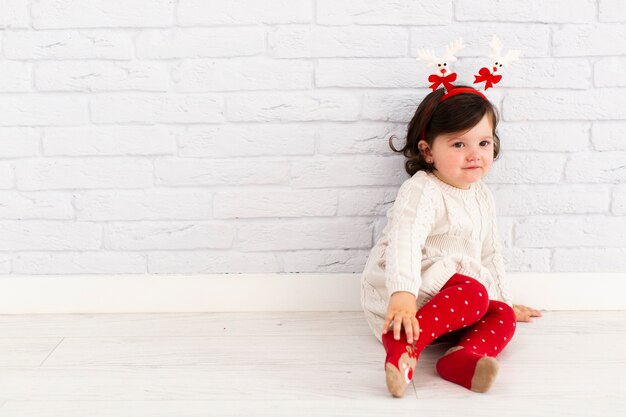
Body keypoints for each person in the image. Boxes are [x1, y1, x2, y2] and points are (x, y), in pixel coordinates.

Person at [360, 84, 542, 398]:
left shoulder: (482, 197)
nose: (475, 155)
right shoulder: (423, 190)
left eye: (484, 142)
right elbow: (405, 241)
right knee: (473, 291)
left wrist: (503, 299)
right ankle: (404, 344)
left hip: (453, 307)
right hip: (406, 295)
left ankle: (460, 359)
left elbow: (489, 254)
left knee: (502, 315)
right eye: (459, 144)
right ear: (428, 151)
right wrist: (401, 294)